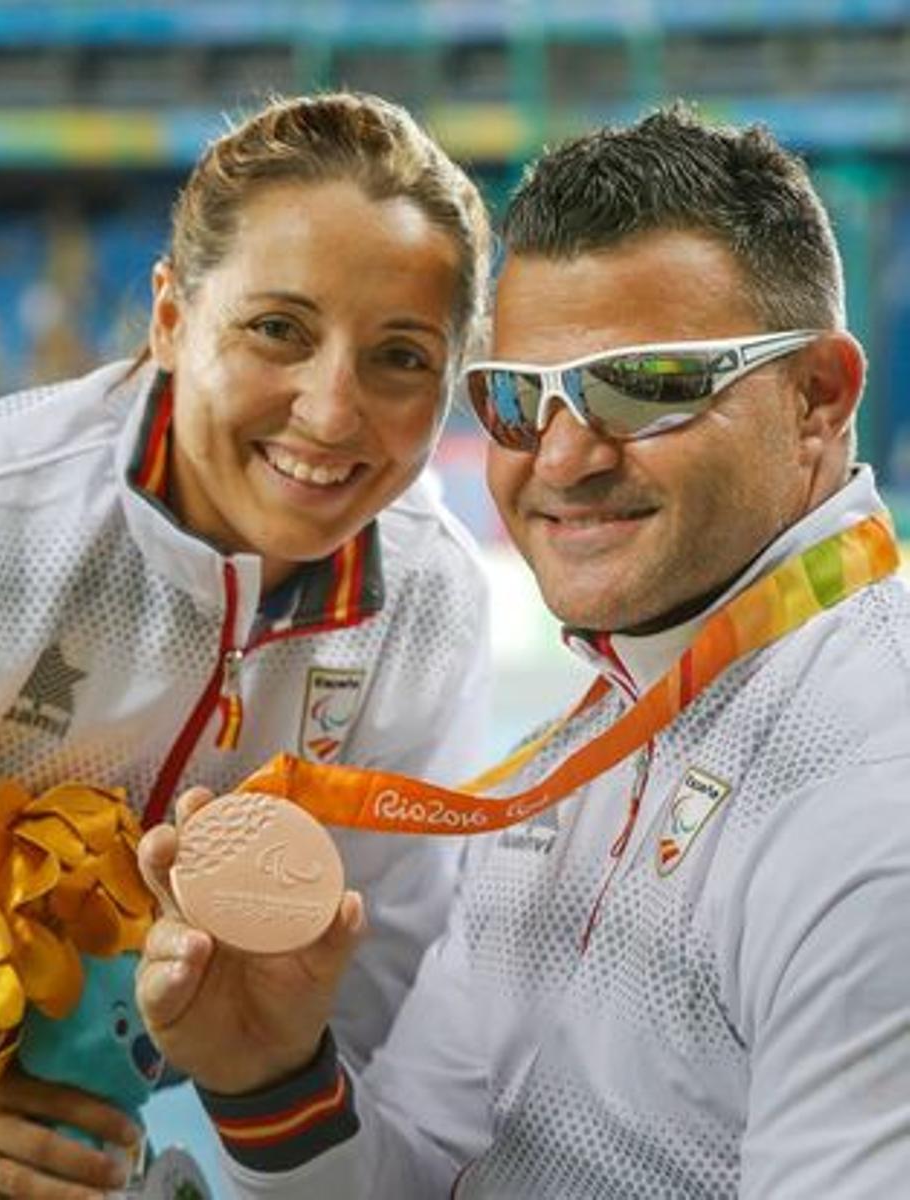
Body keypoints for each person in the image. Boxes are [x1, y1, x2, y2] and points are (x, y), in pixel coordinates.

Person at [0, 91, 494, 1197]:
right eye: (279, 329)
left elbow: (373, 990)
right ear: (171, 318)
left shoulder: (425, 604)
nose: (332, 411)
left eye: (401, 357)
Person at [136, 106, 910, 1198]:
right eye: (517, 398)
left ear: (817, 398)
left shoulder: (873, 800)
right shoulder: (604, 722)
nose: (563, 458)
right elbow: (414, 1168)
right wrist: (271, 1081)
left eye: (644, 385)